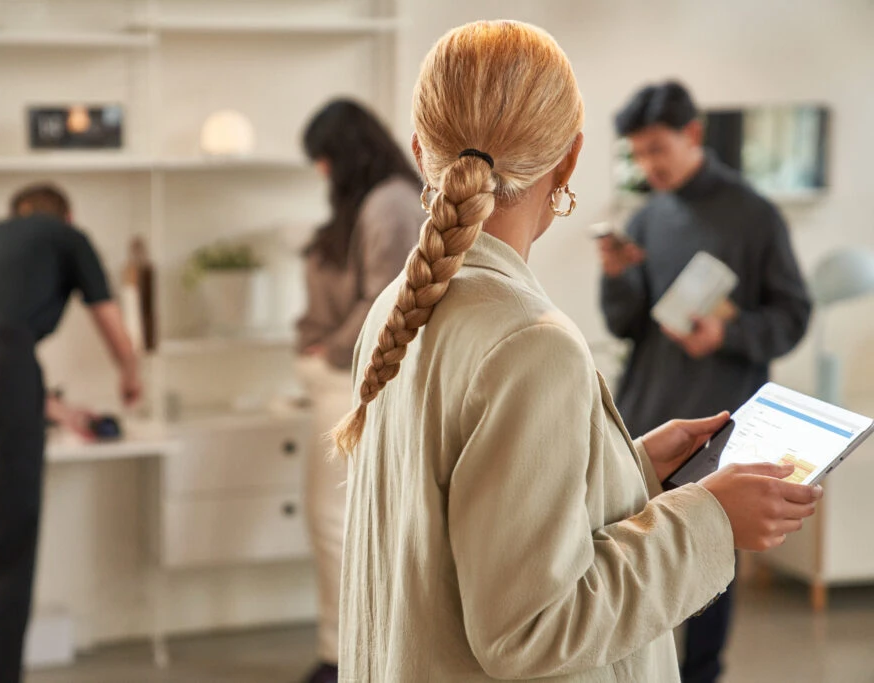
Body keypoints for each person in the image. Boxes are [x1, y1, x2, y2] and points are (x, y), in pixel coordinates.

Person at [332, 21, 822, 683]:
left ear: (422, 152)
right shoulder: (530, 345)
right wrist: (710, 518)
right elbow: (532, 628)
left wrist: (628, 468)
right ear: (568, 159)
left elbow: (464, 527)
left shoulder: (396, 307)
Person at [601, 82, 812, 683]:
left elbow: (793, 315)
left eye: (657, 149)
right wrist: (616, 276)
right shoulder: (647, 215)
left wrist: (728, 333)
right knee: (636, 563)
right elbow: (625, 323)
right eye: (638, 154)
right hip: (648, 413)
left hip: (718, 422)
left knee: (713, 556)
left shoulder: (754, 214)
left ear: (692, 134)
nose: (648, 166)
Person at [0, 183, 142, 683]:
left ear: (14, 215)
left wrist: (56, 409)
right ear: (68, 216)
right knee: (4, 542)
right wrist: (130, 373)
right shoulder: (68, 238)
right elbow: (107, 319)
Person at [295, 98, 424, 683]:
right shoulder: (377, 202)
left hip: (359, 379)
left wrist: (326, 350)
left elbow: (387, 299)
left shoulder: (390, 202)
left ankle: (343, 658)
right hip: (347, 375)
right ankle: (344, 652)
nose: (321, 171)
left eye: (324, 158)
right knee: (337, 522)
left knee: (335, 521)